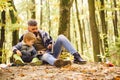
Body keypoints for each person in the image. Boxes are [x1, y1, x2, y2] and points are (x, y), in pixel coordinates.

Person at [19, 19, 86, 65]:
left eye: (36, 28)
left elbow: (51, 41)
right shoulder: (24, 38)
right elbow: (24, 52)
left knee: (61, 37)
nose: (35, 30)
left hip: (51, 52)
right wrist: (38, 53)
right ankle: (58, 63)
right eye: (33, 29)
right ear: (28, 29)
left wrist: (50, 45)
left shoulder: (43, 33)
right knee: (45, 55)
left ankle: (77, 56)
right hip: (40, 57)